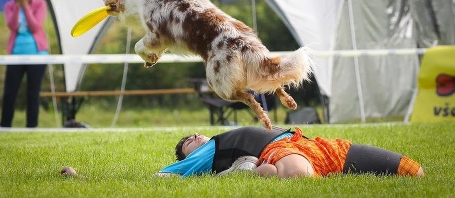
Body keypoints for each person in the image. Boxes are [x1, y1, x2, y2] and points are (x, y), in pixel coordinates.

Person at [156, 126, 424, 178]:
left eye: (194, 134)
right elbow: (164, 174)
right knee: (299, 175)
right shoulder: (204, 155)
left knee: (414, 171)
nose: (194, 136)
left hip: (313, 143)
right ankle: (254, 172)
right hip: (278, 149)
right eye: (188, 142)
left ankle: (251, 172)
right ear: (190, 156)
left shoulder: (216, 138)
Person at [0, 0, 49, 128]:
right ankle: (5, 126)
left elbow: (35, 27)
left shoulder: (40, 4)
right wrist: (18, 6)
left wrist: (26, 7)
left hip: (37, 55)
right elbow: (12, 26)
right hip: (16, 55)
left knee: (32, 95)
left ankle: (31, 128)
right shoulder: (9, 6)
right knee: (9, 93)